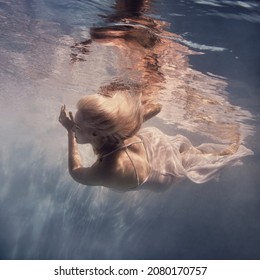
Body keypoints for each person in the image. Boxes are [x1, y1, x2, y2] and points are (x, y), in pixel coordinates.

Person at [59, 92, 253, 191]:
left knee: (197, 161)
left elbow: (76, 173)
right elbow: (156, 107)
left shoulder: (109, 169)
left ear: (95, 134)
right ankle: (228, 149)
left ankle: (236, 152)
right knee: (197, 155)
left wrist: (69, 133)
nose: (73, 127)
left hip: (163, 172)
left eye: (76, 126)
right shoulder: (118, 130)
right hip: (157, 144)